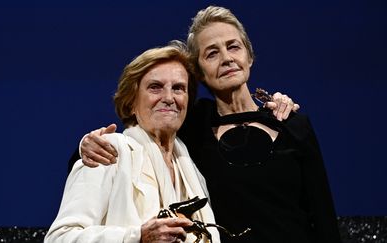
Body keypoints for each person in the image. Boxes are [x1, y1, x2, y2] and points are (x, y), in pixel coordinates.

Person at [70, 6, 341, 243]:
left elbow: (323, 216)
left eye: (233, 46)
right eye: (212, 53)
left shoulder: (291, 123)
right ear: (198, 73)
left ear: (249, 56)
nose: (226, 58)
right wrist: (86, 145)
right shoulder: (192, 123)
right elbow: (129, 138)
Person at [45, 42, 221, 243]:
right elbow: (59, 238)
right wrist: (137, 237)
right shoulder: (107, 152)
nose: (169, 98)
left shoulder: (193, 174)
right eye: (155, 87)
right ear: (130, 104)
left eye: (179, 88)